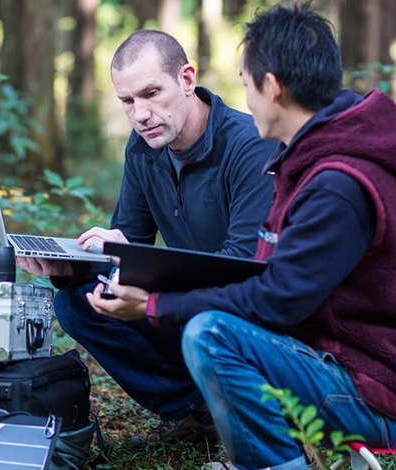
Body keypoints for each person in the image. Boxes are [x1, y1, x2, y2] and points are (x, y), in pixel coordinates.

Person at [88, 3, 396, 470]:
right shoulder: (310, 161)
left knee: (212, 333)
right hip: (325, 363)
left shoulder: (338, 182)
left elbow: (276, 299)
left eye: (247, 83)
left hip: (370, 390)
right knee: (209, 327)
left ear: (271, 87)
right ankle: (234, 429)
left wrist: (154, 307)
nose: (244, 99)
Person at [16, 29, 277, 443]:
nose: (140, 114)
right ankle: (200, 413)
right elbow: (129, 248)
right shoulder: (142, 150)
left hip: (250, 317)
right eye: (128, 101)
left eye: (151, 93)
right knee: (78, 301)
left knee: (203, 317)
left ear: (187, 80)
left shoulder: (249, 146)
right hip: (189, 307)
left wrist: (144, 283)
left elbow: (243, 270)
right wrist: (71, 267)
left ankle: (250, 413)